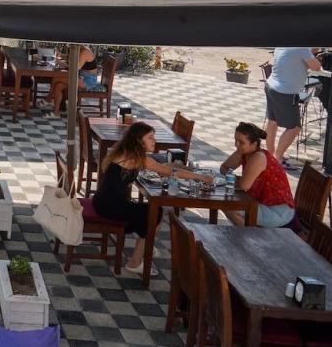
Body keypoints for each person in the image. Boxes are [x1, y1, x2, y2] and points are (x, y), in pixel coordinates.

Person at [92, 122, 213, 275]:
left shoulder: (123, 152)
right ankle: (135, 262)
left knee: (150, 212)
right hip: (110, 208)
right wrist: (200, 177)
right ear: (138, 141)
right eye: (150, 137)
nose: (154, 140)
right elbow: (171, 171)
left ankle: (147, 243)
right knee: (155, 214)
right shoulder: (139, 159)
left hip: (101, 202)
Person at [219, 122, 295, 227]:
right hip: (262, 203)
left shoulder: (258, 157)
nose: (236, 145)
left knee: (229, 207)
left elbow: (244, 186)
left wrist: (234, 178)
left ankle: (252, 234)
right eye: (236, 140)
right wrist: (233, 177)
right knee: (225, 203)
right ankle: (247, 231)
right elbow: (224, 168)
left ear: (254, 144)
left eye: (241, 142)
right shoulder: (244, 152)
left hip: (278, 210)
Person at [264, 47, 321, 168]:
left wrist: (309, 53)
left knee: (272, 122)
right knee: (295, 128)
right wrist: (311, 54)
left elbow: (293, 59)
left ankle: (270, 155)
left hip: (271, 85)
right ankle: (277, 159)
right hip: (284, 92)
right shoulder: (302, 48)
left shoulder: (286, 43)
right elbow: (316, 67)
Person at [48, 46, 103, 114]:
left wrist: (62, 64)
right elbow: (70, 59)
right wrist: (61, 55)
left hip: (88, 81)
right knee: (58, 85)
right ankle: (56, 113)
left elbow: (75, 68)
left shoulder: (85, 52)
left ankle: (48, 98)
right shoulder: (79, 49)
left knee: (57, 78)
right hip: (80, 77)